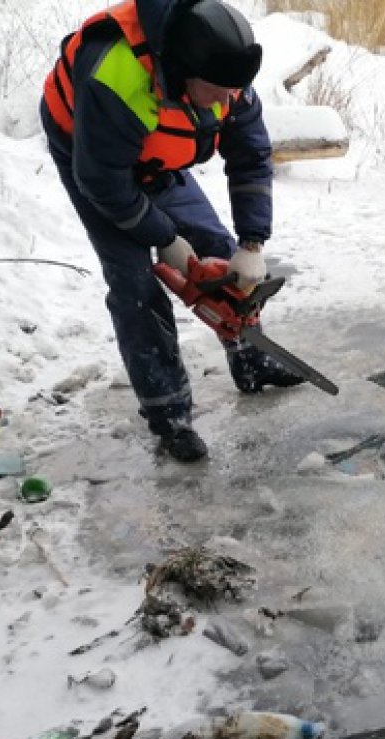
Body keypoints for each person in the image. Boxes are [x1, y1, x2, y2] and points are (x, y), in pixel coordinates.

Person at [41, 0, 303, 463]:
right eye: (216, 92)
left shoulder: (225, 74)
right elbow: (104, 183)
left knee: (220, 258)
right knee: (135, 287)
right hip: (94, 159)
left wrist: (251, 244)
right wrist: (165, 239)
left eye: (232, 92)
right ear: (183, 70)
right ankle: (170, 417)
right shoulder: (116, 76)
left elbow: (250, 157)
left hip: (156, 155)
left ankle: (251, 359)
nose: (225, 103)